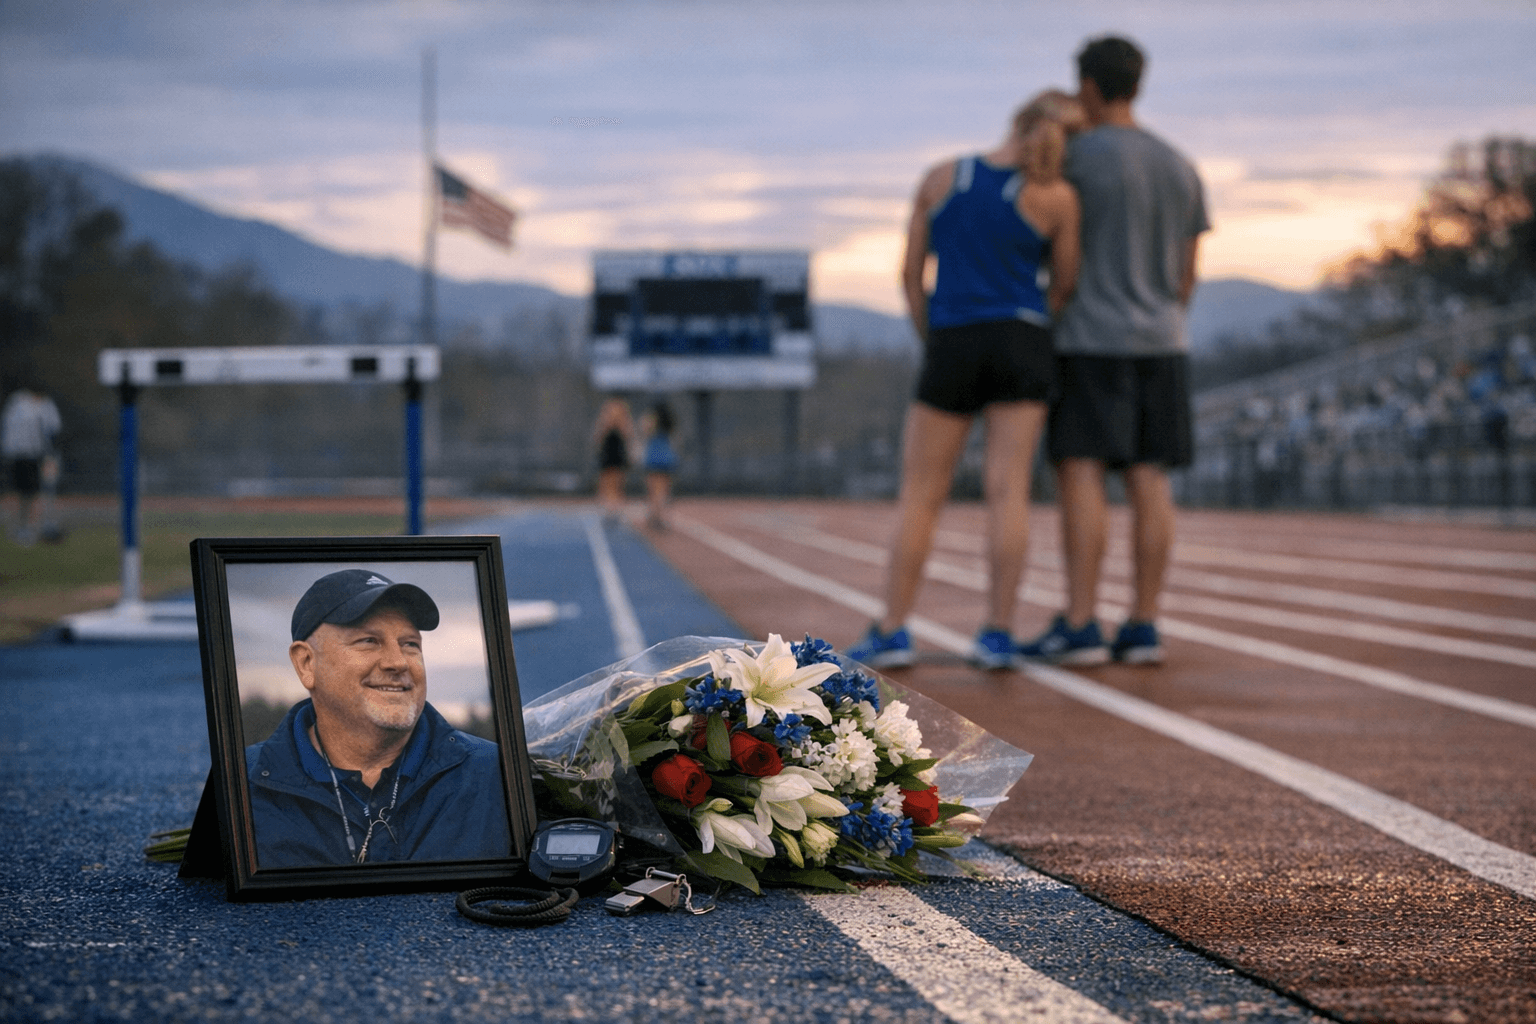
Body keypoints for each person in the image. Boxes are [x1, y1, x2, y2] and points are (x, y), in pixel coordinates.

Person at [847, 91, 1082, 670]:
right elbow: (1064, 284)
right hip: (1021, 340)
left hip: (953, 337)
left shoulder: (940, 177)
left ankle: (893, 629)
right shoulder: (1057, 197)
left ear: (1017, 120)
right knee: (1008, 491)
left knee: (921, 494)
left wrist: (934, 332)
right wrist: (1026, 322)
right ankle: (997, 633)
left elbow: (909, 274)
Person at [1017, 36, 1210, 667]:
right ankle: (1145, 622)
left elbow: (1044, 234)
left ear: (1090, 87)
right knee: (1150, 477)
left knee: (1081, 473)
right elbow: (1188, 273)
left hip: (1088, 338)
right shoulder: (1180, 165)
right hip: (1162, 340)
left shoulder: (1076, 157)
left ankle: (1079, 623)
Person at [245, 569, 511, 868]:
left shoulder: (496, 775)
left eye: (410, 644)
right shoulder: (243, 785)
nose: (397, 662)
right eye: (369, 641)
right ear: (307, 663)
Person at [2, 386, 62, 546]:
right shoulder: (18, 403)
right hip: (23, 456)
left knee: (39, 491)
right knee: (24, 492)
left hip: (39, 456)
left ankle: (35, 526)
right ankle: (24, 527)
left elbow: (53, 428)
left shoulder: (45, 405)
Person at [592, 396, 635, 520]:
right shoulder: (605, 424)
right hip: (607, 455)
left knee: (617, 483)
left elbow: (628, 437)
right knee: (606, 483)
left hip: (617, 455)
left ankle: (615, 509)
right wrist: (606, 422)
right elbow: (598, 438)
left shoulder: (624, 423)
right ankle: (608, 509)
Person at [641, 399, 678, 530]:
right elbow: (674, 440)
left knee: (653, 490)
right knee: (664, 490)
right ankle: (662, 517)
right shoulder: (669, 422)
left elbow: (645, 431)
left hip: (654, 457)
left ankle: (655, 516)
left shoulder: (652, 420)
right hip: (667, 457)